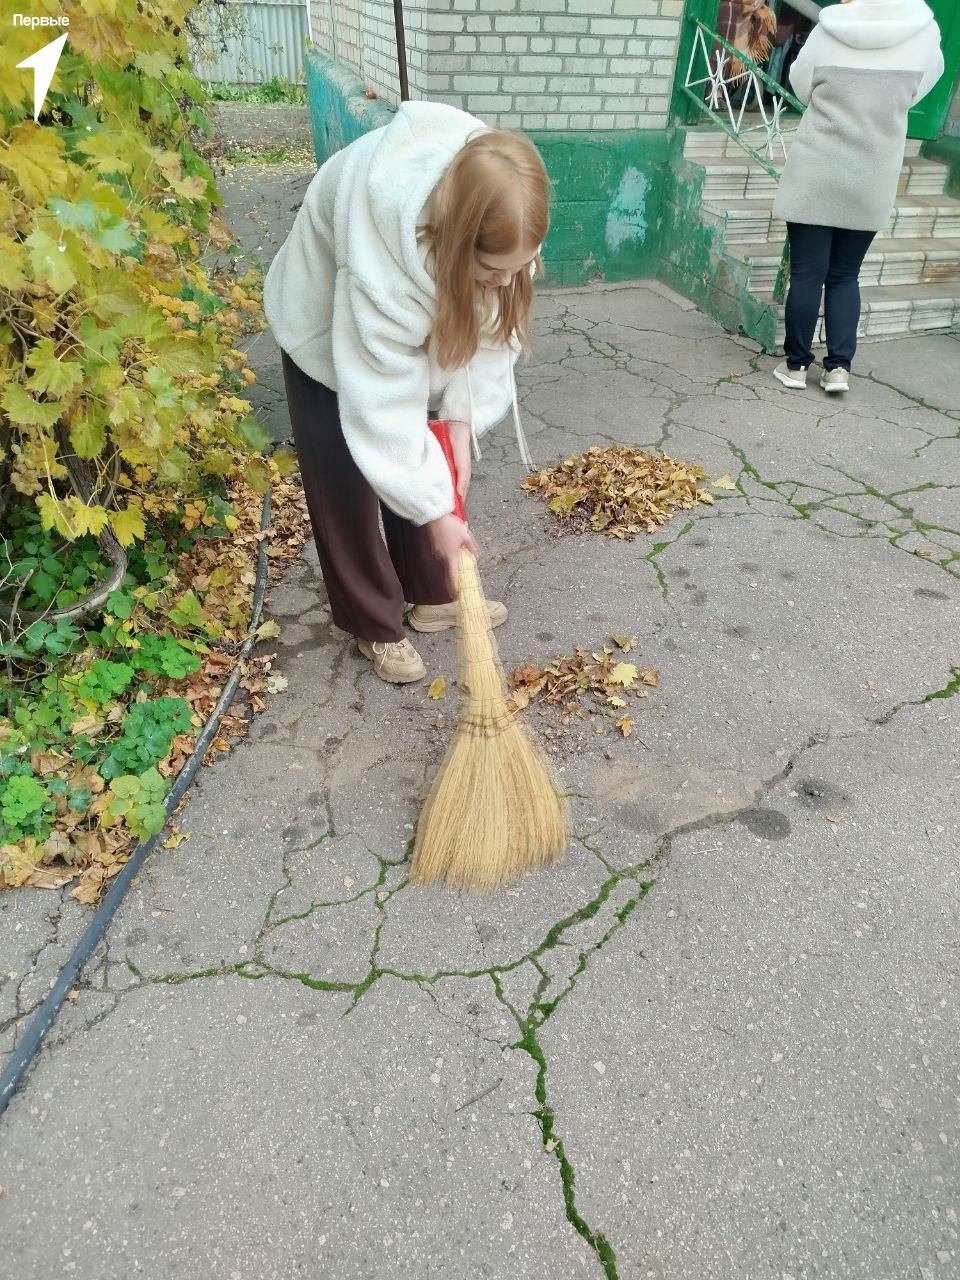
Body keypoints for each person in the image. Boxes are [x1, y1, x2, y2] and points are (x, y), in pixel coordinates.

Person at [263, 103, 549, 683]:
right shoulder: (382, 256)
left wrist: (462, 421)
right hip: (325, 324)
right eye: (494, 270)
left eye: (517, 268)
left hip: (408, 304)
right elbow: (385, 406)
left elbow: (489, 331)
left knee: (431, 455)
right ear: (455, 241)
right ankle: (372, 621)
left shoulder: (503, 209)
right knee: (347, 475)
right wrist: (436, 511)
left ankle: (432, 593)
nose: (507, 281)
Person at [772, 0, 943, 393]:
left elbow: (801, 83)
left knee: (806, 274)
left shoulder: (830, 26)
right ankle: (838, 370)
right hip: (872, 172)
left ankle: (796, 366)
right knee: (845, 275)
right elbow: (918, 91)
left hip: (818, 167)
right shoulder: (924, 31)